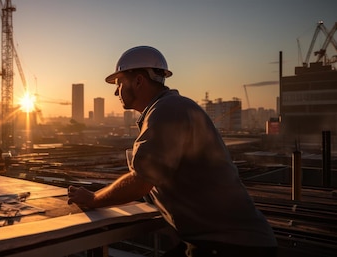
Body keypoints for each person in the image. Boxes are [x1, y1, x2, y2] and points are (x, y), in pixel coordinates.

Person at [67, 46, 277, 256]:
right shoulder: (168, 109)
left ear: (138, 81)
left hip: (230, 247)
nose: (116, 91)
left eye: (119, 82)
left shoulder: (167, 110)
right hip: (218, 241)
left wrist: (94, 199)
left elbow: (142, 181)